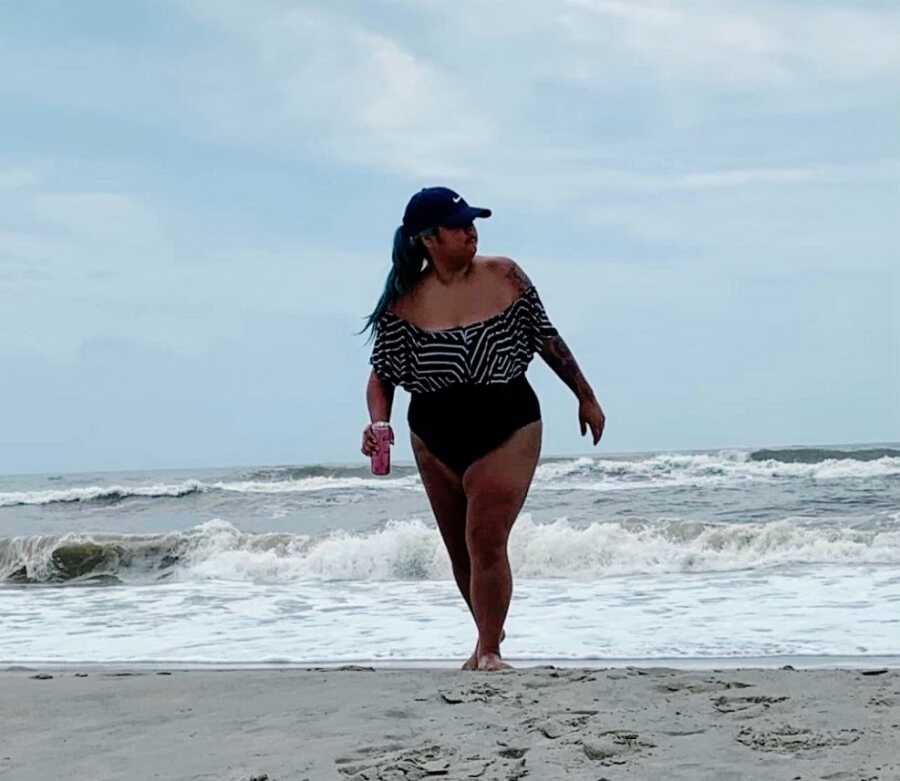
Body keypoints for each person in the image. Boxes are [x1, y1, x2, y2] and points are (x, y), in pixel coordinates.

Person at [360, 187, 605, 672]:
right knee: (460, 553)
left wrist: (586, 395)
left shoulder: (505, 276)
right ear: (428, 239)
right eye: (458, 225)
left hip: (507, 419)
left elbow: (545, 337)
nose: (471, 231)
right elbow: (381, 376)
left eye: (472, 222)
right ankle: (486, 635)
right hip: (433, 431)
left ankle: (490, 651)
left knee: (485, 538)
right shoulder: (401, 303)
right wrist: (378, 424)